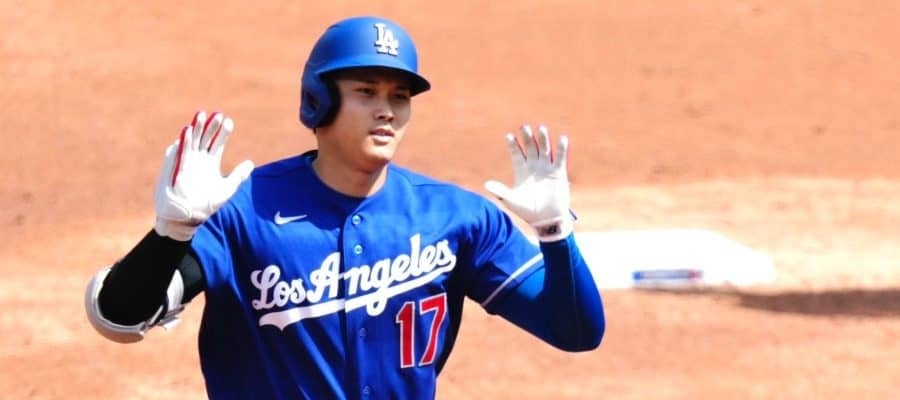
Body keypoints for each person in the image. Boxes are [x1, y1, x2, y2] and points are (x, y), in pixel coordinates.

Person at [84, 15, 605, 400]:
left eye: (399, 96)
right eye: (366, 91)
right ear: (319, 100)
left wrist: (556, 234)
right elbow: (118, 317)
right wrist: (170, 234)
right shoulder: (245, 213)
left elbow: (577, 332)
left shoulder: (456, 219)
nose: (387, 110)